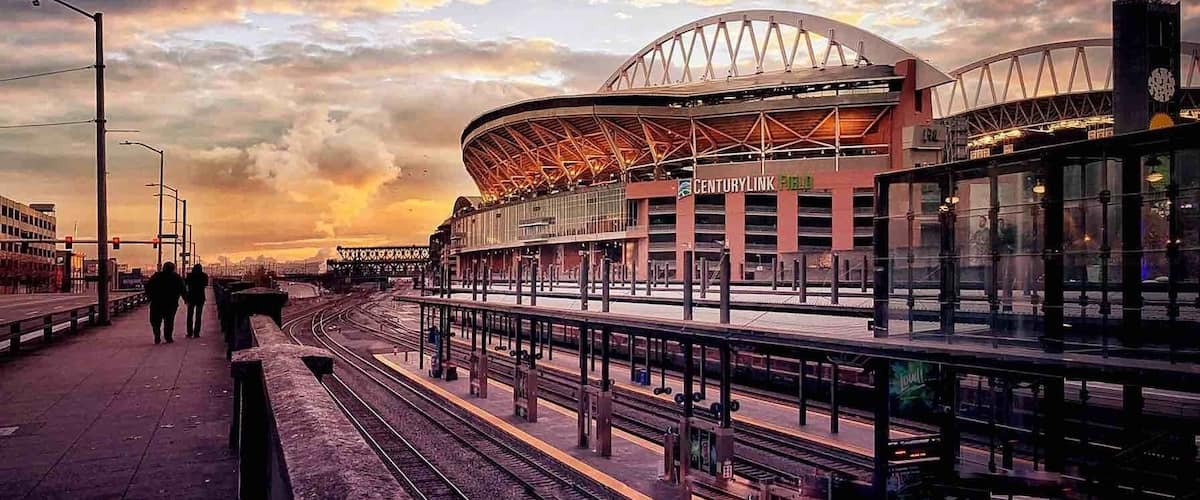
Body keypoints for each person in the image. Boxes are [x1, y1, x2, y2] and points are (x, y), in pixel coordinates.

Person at [145, 261, 186, 344]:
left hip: (157, 303)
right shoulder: (177, 277)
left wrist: (150, 297)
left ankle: (157, 335)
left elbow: (148, 287)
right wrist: (186, 299)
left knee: (155, 321)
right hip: (171, 303)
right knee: (169, 321)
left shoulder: (156, 276)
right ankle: (168, 337)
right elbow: (182, 289)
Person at [185, 264, 209, 338]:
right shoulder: (204, 275)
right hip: (200, 297)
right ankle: (196, 333)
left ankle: (189, 332)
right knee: (198, 316)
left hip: (191, 297)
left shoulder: (189, 276)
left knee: (189, 315)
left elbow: (186, 284)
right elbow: (205, 284)